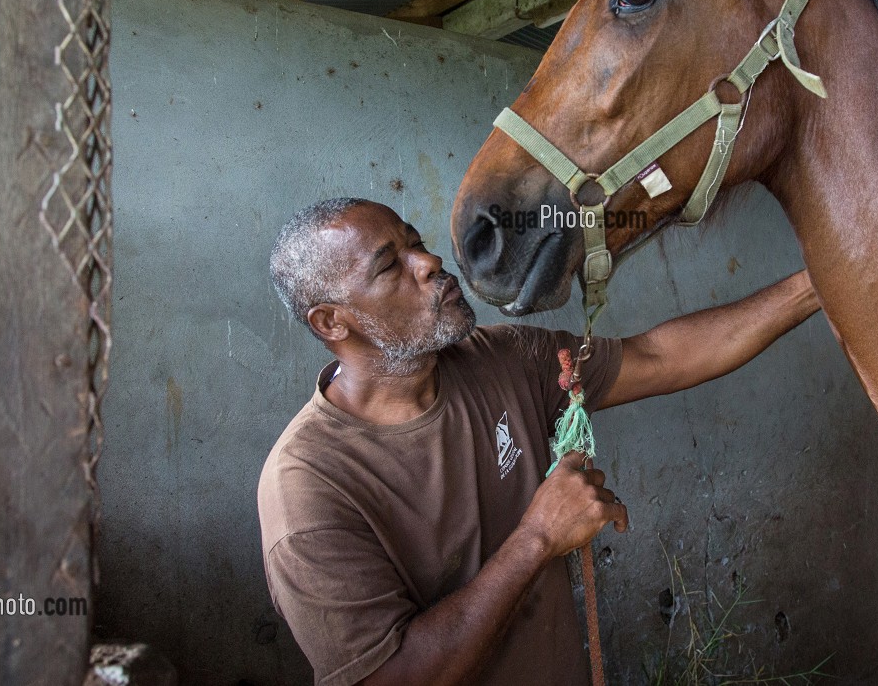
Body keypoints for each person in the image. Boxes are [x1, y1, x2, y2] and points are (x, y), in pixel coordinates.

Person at [258, 197, 821, 686]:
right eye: (390, 266)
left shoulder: (504, 357)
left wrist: (820, 283)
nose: (428, 263)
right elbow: (389, 678)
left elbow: (658, 357)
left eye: (416, 242)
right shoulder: (307, 487)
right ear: (332, 322)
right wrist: (537, 538)